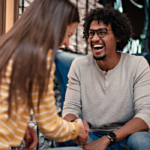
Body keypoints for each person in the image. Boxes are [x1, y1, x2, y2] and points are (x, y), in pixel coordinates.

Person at [0, 0, 86, 149]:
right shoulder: (39, 58)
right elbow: (50, 126)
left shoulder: (7, 46)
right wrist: (77, 128)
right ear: (56, 26)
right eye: (68, 34)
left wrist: (21, 128)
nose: (66, 43)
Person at [63, 5, 150, 150]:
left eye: (102, 32)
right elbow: (70, 110)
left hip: (128, 134)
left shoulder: (138, 65)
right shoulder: (78, 66)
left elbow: (146, 115)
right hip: (93, 133)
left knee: (142, 141)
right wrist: (76, 123)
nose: (95, 38)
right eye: (91, 33)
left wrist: (108, 138)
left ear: (118, 36)